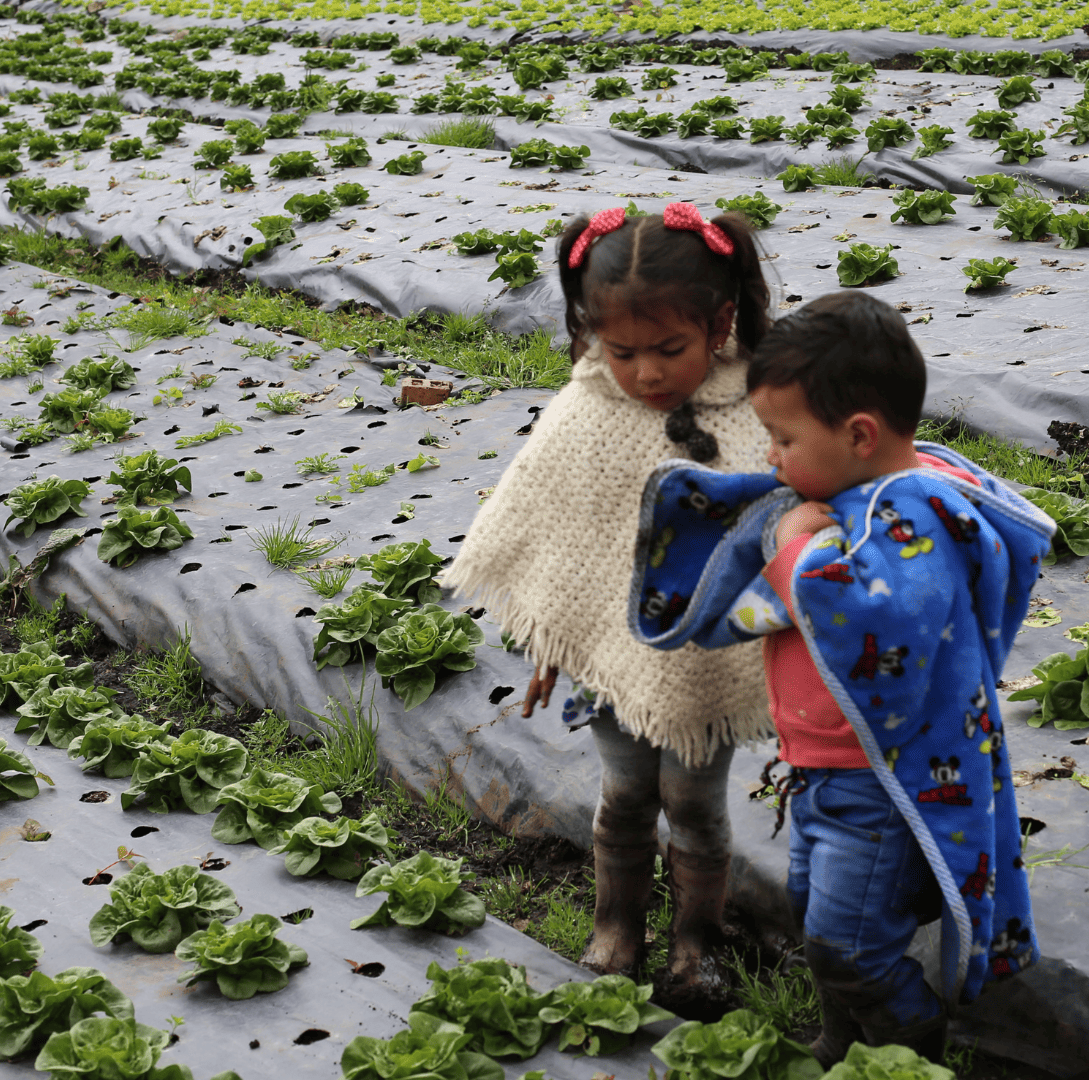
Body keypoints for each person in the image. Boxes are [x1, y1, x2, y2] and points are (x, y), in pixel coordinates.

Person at [626, 290, 1054, 1062]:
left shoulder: (910, 512)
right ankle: (843, 1040)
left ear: (859, 434)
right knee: (819, 915)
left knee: (848, 942)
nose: (771, 459)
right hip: (819, 770)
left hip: (878, 784)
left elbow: (877, 617)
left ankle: (912, 1053)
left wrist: (794, 551)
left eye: (783, 438)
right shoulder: (852, 497)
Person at [441, 203, 774, 999]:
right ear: (589, 330)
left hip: (711, 661)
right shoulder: (586, 411)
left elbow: (785, 527)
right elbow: (563, 537)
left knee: (694, 804)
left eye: (670, 350)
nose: (648, 374)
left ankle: (698, 942)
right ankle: (616, 923)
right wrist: (555, 640)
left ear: (720, 323)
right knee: (625, 794)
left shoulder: (763, 409)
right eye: (622, 351)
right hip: (612, 667)